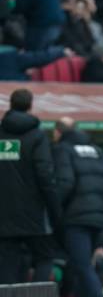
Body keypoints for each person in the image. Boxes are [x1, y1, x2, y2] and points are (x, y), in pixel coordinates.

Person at [53, 117, 103, 297]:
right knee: (82, 266)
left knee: (82, 266)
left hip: (76, 218)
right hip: (98, 217)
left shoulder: (63, 149)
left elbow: (65, 183)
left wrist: (56, 211)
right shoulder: (96, 150)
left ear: (57, 132)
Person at [0, 89, 61, 284]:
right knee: (44, 257)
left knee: (8, 263)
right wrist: (55, 210)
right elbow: (45, 174)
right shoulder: (37, 136)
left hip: (4, 213)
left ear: (10, 104)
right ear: (30, 105)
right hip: (34, 213)